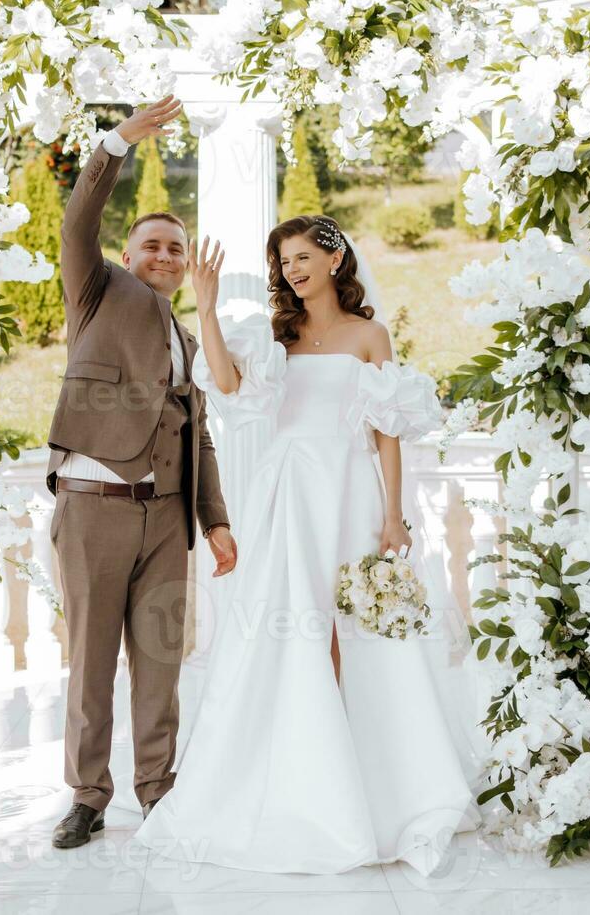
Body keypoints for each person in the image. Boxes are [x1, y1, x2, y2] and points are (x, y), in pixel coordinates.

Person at [135, 214, 480, 875]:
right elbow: (228, 385)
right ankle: (299, 779)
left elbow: (386, 430)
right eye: (283, 261)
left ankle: (372, 779)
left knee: (355, 631)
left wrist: (396, 515)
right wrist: (205, 307)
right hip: (289, 493)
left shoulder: (369, 335)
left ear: (333, 257)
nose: (291, 270)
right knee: (289, 631)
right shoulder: (276, 335)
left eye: (300, 257)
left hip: (349, 493)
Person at [45, 97, 239, 850]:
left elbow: (201, 434)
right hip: (93, 505)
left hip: (167, 518)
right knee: (91, 662)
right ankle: (87, 797)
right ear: (130, 254)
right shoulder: (97, 292)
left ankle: (159, 792)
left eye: (175, 250)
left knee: (160, 662)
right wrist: (118, 144)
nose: (164, 257)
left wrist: (214, 519)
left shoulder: (186, 337)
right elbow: (76, 222)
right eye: (153, 246)